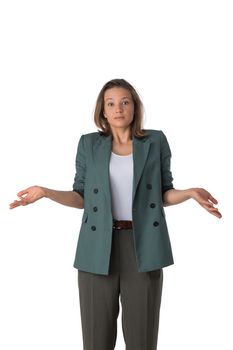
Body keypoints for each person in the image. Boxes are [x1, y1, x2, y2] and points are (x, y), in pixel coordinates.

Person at [9, 78, 222, 350]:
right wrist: (46, 192)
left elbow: (163, 192)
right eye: (111, 103)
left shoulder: (155, 141)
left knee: (142, 341)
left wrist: (189, 194)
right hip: (97, 248)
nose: (118, 108)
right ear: (103, 111)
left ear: (135, 107)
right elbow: (81, 196)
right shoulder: (88, 144)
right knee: (96, 342)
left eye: (125, 102)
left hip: (143, 246)